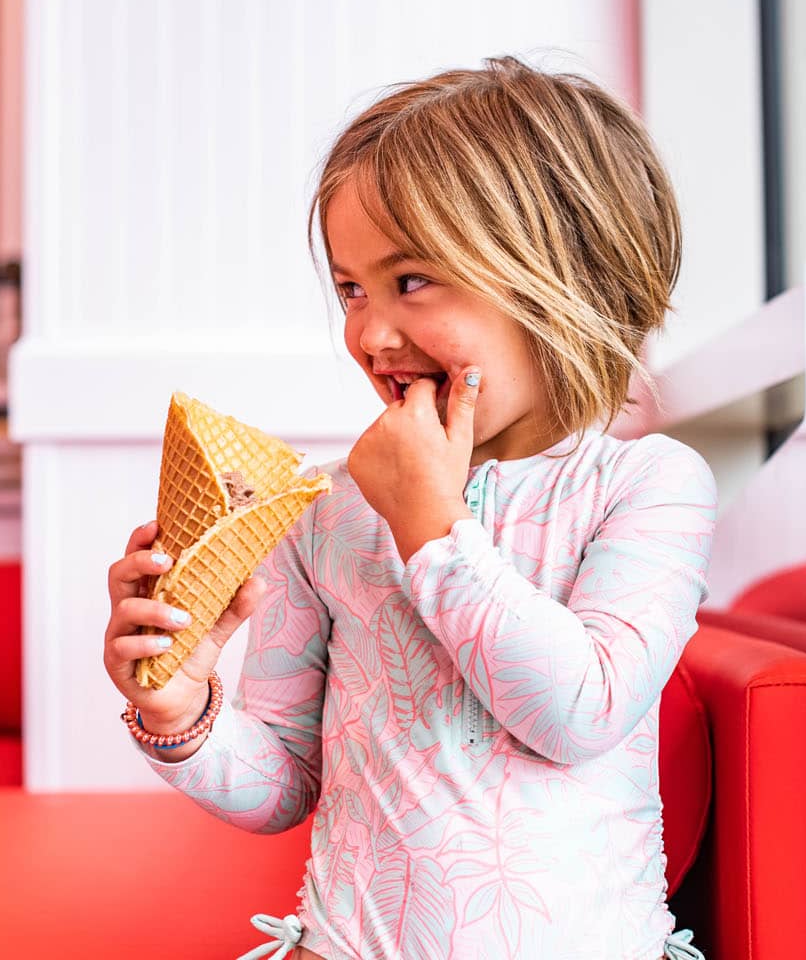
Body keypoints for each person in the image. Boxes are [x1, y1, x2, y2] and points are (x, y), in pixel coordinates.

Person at [102, 54, 718, 960]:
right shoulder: (328, 511)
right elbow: (282, 784)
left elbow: (578, 712)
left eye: (411, 280)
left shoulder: (645, 487)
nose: (367, 332)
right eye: (351, 288)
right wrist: (180, 701)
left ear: (562, 277)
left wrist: (430, 528)